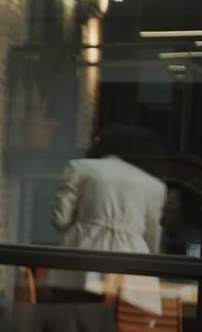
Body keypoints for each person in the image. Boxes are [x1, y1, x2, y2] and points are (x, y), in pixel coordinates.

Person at [47, 124, 167, 298]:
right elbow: (152, 239)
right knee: (120, 322)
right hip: (132, 270)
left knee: (72, 318)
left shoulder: (80, 168)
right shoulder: (155, 186)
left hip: (81, 261)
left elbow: (60, 219)